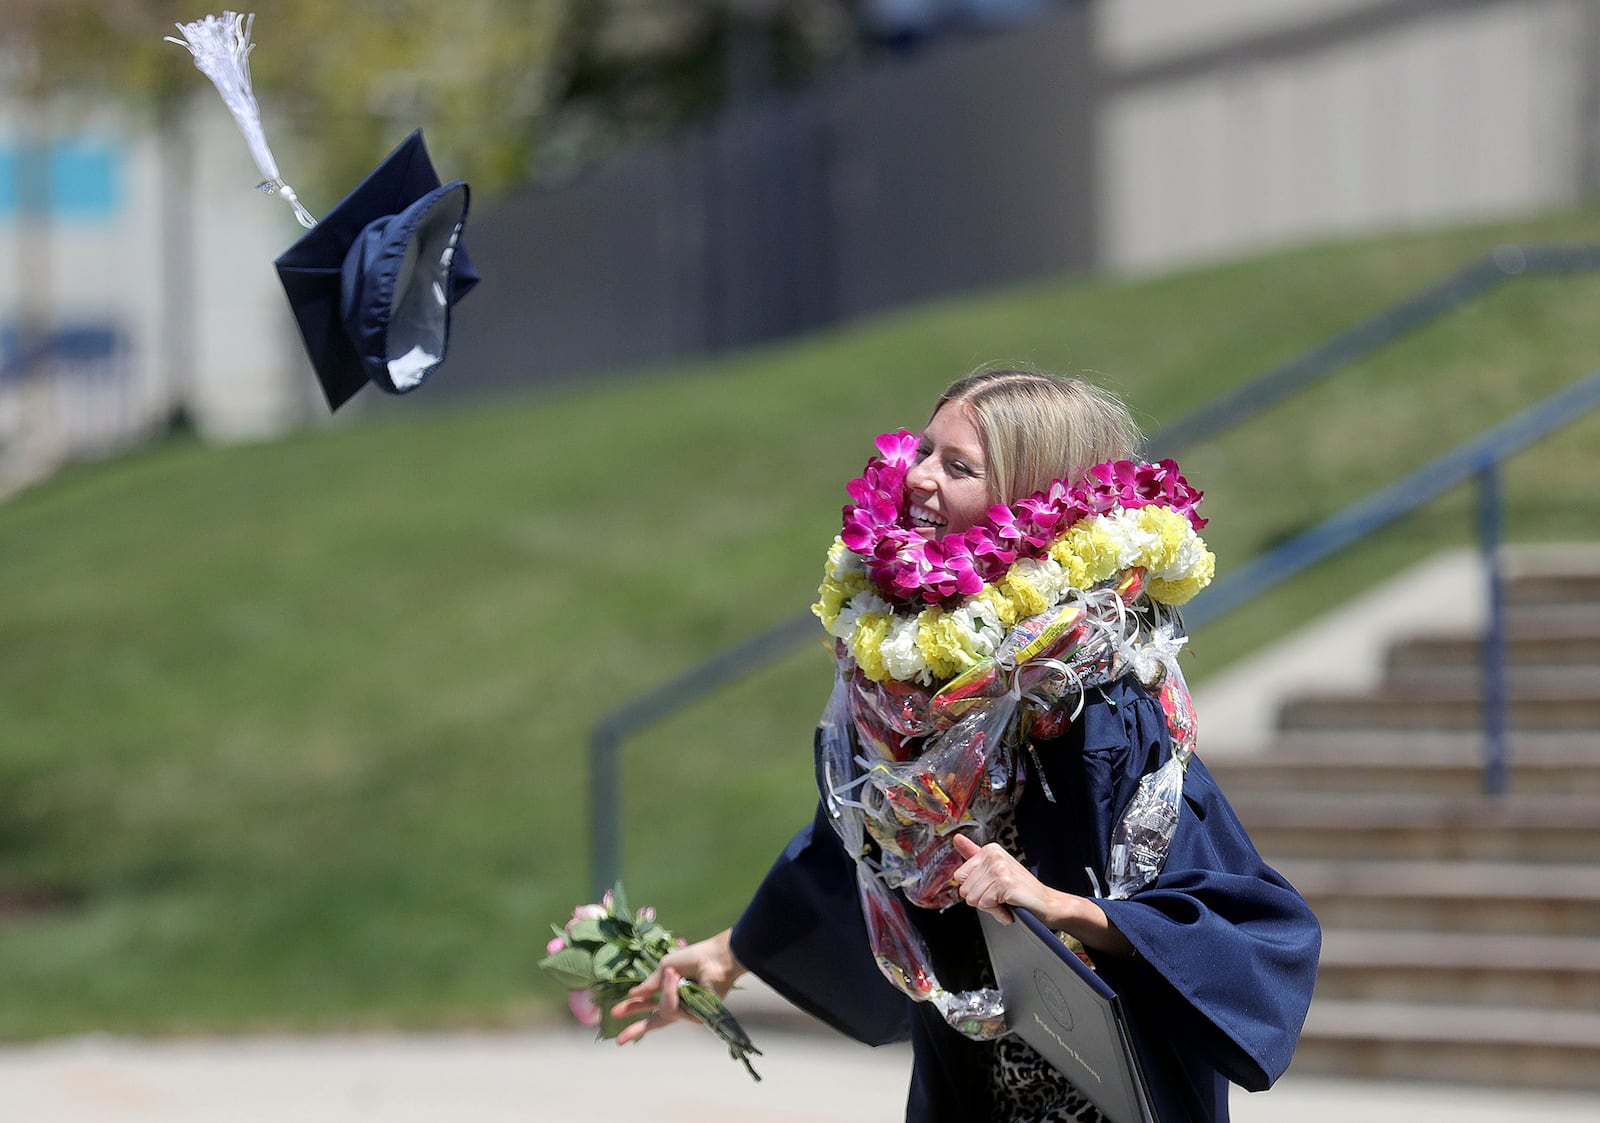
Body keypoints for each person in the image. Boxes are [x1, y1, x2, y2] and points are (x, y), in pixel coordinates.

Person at [611, 368, 1321, 1122]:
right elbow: (868, 840)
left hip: (1107, 1096)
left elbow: (1238, 924)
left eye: (957, 466)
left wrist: (1056, 905)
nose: (916, 476)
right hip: (969, 1087)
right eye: (923, 450)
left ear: (1030, 498)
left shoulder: (1100, 697)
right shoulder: (908, 685)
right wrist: (734, 952)